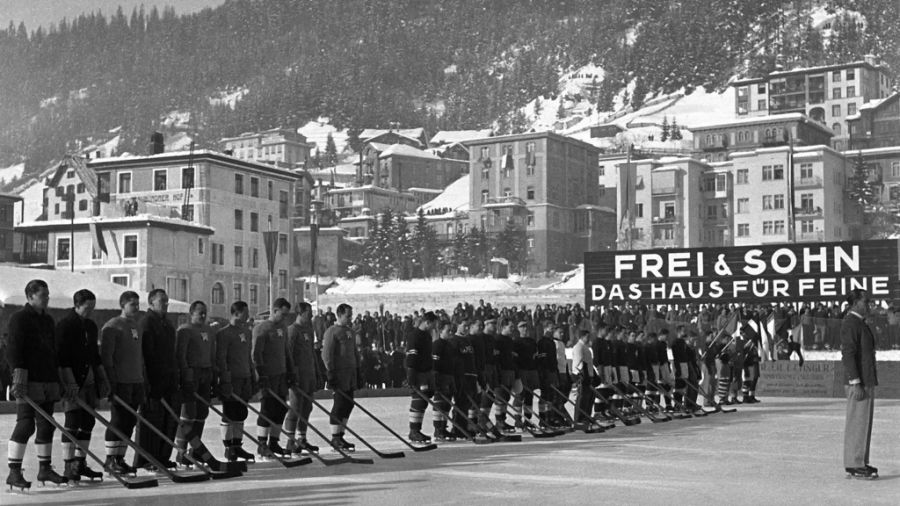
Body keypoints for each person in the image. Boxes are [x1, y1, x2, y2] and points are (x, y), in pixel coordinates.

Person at [6, 279, 66, 489]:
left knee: (46, 424)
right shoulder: (19, 319)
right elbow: (13, 349)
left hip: (47, 378)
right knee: (25, 424)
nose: (47, 299)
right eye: (43, 296)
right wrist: (18, 376)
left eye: (47, 295)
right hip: (28, 379)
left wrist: (59, 377)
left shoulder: (48, 320)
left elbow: (53, 351)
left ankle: (45, 469)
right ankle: (14, 471)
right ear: (30, 296)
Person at [55, 289, 109, 482]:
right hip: (72, 380)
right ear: (77, 305)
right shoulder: (65, 325)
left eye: (93, 308)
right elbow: (62, 357)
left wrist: (103, 377)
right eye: (87, 308)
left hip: (89, 380)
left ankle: (80, 463)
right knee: (72, 422)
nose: (90, 311)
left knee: (88, 422)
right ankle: (69, 466)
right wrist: (69, 382)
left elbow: (94, 354)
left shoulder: (91, 326)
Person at [173, 301, 223, 468]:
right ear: (191, 313)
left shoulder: (209, 330)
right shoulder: (185, 330)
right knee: (188, 414)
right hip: (191, 373)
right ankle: (181, 452)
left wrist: (214, 373)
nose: (202, 315)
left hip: (206, 373)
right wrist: (185, 374)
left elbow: (212, 353)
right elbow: (181, 355)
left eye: (204, 312)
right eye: (199, 312)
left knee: (202, 412)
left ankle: (197, 451)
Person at [100, 291, 144, 475]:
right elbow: (107, 358)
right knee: (118, 420)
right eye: (132, 304)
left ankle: (120, 458)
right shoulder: (112, 326)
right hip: (121, 381)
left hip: (136, 380)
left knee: (130, 421)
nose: (136, 307)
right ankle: (110, 459)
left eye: (137, 303)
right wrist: (111, 381)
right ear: (123, 305)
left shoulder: (135, 325)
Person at [136, 288, 178, 471]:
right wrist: (147, 382)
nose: (166, 304)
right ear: (151, 303)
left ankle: (162, 457)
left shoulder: (168, 325)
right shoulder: (146, 323)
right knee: (151, 421)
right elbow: (145, 355)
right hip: (153, 380)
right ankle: (146, 458)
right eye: (162, 301)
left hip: (168, 379)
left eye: (167, 301)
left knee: (169, 421)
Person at [841, 289, 879, 479]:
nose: (869, 305)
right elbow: (848, 353)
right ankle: (854, 464)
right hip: (859, 382)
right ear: (856, 303)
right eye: (866, 301)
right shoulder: (851, 323)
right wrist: (855, 382)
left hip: (866, 380)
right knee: (857, 422)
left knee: (864, 423)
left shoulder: (859, 323)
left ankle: (860, 461)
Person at [252, 297, 294, 458]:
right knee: (267, 409)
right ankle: (262, 444)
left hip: (281, 375)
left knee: (281, 408)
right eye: (282, 314)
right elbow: (256, 354)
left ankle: (274, 442)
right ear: (275, 311)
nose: (285, 318)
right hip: (268, 375)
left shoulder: (282, 327)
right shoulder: (262, 328)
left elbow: (286, 352)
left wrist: (291, 371)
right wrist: (261, 374)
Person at [215, 301, 255, 462]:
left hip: (244, 376)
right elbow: (221, 358)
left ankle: (237, 446)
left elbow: (248, 356)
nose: (247, 316)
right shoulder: (224, 333)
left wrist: (252, 375)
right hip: (232, 378)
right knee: (229, 413)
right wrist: (225, 378)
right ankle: (228, 447)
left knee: (241, 413)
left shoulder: (246, 331)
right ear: (236, 313)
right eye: (245, 313)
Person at [283, 302, 324, 455]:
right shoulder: (292, 330)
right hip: (298, 376)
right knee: (295, 408)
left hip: (309, 374)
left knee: (307, 407)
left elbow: (312, 353)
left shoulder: (308, 328)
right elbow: (289, 355)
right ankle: (290, 441)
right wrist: (292, 374)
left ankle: (302, 439)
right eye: (309, 313)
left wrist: (318, 372)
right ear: (300, 313)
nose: (311, 315)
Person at [321, 303, 357, 451]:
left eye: (351, 315)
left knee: (349, 404)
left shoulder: (350, 331)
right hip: (339, 374)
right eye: (348, 315)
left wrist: (358, 371)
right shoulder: (332, 331)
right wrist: (330, 373)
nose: (350, 318)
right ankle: (335, 437)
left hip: (350, 374)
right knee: (340, 404)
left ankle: (341, 435)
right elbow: (326, 354)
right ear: (340, 315)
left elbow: (354, 352)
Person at [405, 311, 437, 442]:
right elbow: (411, 357)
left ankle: (417, 429)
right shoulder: (415, 335)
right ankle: (413, 431)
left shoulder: (427, 336)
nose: (434, 328)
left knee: (424, 401)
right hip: (418, 373)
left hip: (427, 372)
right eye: (433, 325)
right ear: (427, 322)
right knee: (418, 400)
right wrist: (411, 375)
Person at [431, 321, 457, 442]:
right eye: (448, 330)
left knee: (447, 404)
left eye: (451, 330)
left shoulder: (450, 345)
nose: (451, 332)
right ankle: (438, 429)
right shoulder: (437, 345)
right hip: (441, 377)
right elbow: (435, 364)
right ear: (441, 331)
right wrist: (435, 380)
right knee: (440, 404)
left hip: (450, 376)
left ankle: (443, 426)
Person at [570, 330, 594, 425]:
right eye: (587, 336)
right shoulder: (578, 347)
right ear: (582, 337)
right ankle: (579, 418)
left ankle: (586, 416)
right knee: (582, 398)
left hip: (588, 375)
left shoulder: (585, 347)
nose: (589, 338)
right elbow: (577, 363)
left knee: (589, 398)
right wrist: (579, 375)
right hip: (583, 376)